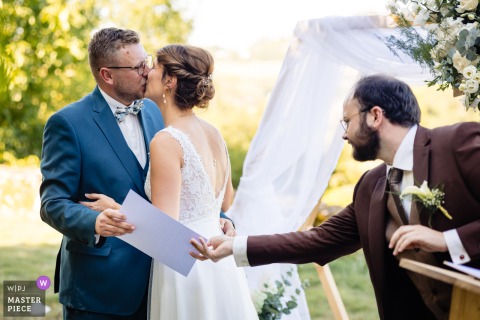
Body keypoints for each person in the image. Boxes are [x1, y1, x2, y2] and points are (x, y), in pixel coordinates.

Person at [191, 74, 480, 320]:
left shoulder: (456, 144)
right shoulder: (371, 185)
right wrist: (235, 247)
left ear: (375, 116)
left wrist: (447, 241)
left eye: (347, 121)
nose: (344, 135)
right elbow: (317, 241)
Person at [39, 28, 235, 319]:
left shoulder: (158, 112)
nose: (147, 71)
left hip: (165, 277)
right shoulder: (68, 123)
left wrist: (218, 218)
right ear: (107, 75)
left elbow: (184, 186)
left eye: (147, 62)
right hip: (101, 288)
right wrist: (96, 220)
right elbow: (52, 203)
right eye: (138, 66)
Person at [143, 44, 258, 319]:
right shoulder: (214, 133)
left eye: (154, 67)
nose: (147, 72)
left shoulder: (166, 141)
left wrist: (116, 210)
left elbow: (164, 231)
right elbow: (226, 201)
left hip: (187, 264)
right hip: (219, 259)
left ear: (169, 81)